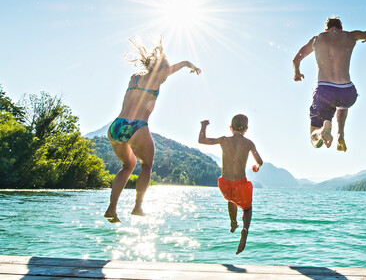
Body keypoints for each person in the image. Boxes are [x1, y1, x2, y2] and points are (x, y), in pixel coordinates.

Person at [104, 39, 201, 223]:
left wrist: (160, 52)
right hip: (137, 126)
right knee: (146, 166)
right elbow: (182, 64)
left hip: (116, 126)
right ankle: (137, 206)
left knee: (127, 166)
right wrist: (194, 66)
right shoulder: (157, 76)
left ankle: (112, 208)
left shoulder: (134, 77)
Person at [293, 16, 366, 151]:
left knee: (313, 137)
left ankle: (322, 130)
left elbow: (296, 60)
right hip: (347, 92)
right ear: (341, 28)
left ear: (326, 29)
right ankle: (340, 134)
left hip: (325, 91)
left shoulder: (317, 39)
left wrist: (297, 73)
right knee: (342, 104)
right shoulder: (351, 36)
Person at [198, 114, 263, 255]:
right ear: (246, 129)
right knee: (247, 209)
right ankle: (245, 230)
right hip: (240, 183)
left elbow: (202, 140)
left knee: (230, 198)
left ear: (230, 127)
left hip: (225, 184)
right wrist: (256, 166)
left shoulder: (224, 140)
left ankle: (233, 222)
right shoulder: (249, 143)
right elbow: (260, 160)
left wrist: (204, 126)